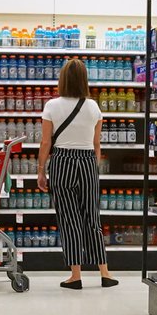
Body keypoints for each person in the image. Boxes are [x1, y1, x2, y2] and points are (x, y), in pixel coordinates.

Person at [38, 57, 116, 289]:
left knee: (69, 219)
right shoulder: (93, 107)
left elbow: (45, 143)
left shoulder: (52, 106)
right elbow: (97, 145)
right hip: (87, 162)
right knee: (92, 217)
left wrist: (41, 171)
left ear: (62, 80)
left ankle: (76, 275)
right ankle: (105, 273)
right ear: (84, 80)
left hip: (62, 161)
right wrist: (93, 168)